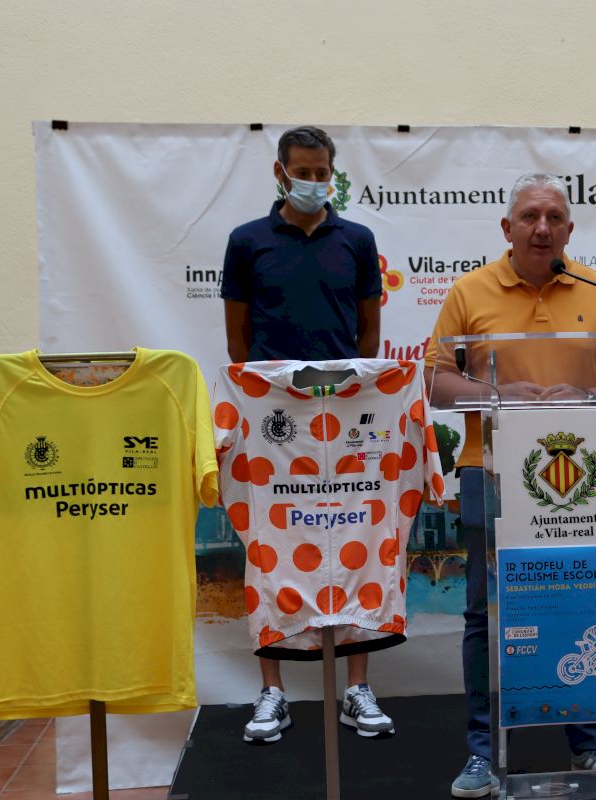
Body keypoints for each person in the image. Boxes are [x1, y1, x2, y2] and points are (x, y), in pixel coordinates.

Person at [425, 174, 596, 797]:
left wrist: (591, 395)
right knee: (485, 615)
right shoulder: (469, 292)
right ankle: (481, 752)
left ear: (570, 229)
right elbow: (436, 383)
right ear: (507, 227)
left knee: (588, 602)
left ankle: (593, 746)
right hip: (491, 471)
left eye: (554, 217)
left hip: (587, 480)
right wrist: (497, 394)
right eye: (529, 216)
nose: (542, 227)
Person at [220, 125, 390, 744]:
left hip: (344, 417)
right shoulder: (247, 241)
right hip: (273, 420)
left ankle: (356, 689)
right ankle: (272, 692)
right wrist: (275, 392)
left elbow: (368, 335)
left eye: (323, 173)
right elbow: (238, 342)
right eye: (304, 172)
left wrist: (341, 393)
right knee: (270, 545)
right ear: (280, 172)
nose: (315, 183)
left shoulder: (357, 240)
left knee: (354, 538)